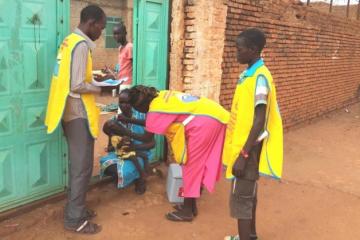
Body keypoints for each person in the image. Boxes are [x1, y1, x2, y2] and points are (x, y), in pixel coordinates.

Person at [45, 5, 111, 234]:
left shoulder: (69, 40)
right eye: (101, 28)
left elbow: (74, 76)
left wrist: (94, 77)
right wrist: (102, 88)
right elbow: (77, 85)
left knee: (78, 166)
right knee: (82, 168)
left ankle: (76, 208)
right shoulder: (81, 45)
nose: (101, 33)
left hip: (67, 111)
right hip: (77, 112)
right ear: (91, 23)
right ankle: (75, 220)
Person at [121, 85, 230, 222]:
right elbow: (151, 121)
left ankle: (187, 212)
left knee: (191, 165)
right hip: (214, 114)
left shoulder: (154, 110)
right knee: (193, 164)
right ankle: (191, 206)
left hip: (206, 122)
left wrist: (123, 132)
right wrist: (128, 120)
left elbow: (147, 138)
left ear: (139, 106)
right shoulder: (160, 96)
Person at [222, 28, 283, 240]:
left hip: (248, 150)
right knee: (249, 194)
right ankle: (251, 235)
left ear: (253, 49)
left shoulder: (260, 78)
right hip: (246, 148)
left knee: (241, 199)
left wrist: (243, 155)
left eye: (239, 49)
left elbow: (259, 120)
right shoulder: (250, 75)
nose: (236, 53)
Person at [101, 89, 155, 194]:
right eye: (121, 102)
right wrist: (115, 146)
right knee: (107, 165)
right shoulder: (114, 121)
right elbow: (111, 146)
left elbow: (152, 144)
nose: (124, 106)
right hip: (122, 153)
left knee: (132, 165)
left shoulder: (142, 118)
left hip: (140, 152)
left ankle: (140, 179)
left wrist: (134, 147)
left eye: (128, 103)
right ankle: (132, 174)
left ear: (133, 103)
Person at [102, 22, 133, 91]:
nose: (115, 36)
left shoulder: (130, 47)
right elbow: (121, 68)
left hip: (127, 84)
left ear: (125, 33)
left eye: (117, 33)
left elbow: (135, 66)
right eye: (114, 34)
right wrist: (109, 71)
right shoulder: (120, 48)